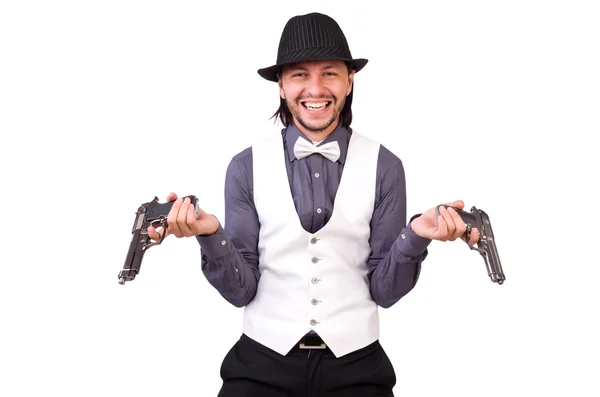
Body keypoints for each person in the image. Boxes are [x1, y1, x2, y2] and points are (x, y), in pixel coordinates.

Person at [148, 11, 480, 397]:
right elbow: (242, 292)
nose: (316, 88)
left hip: (357, 367)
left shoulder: (386, 167)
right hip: (260, 364)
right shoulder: (244, 167)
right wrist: (210, 234)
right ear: (281, 85)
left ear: (350, 81)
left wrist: (416, 236)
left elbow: (385, 292)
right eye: (300, 74)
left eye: (330, 73)